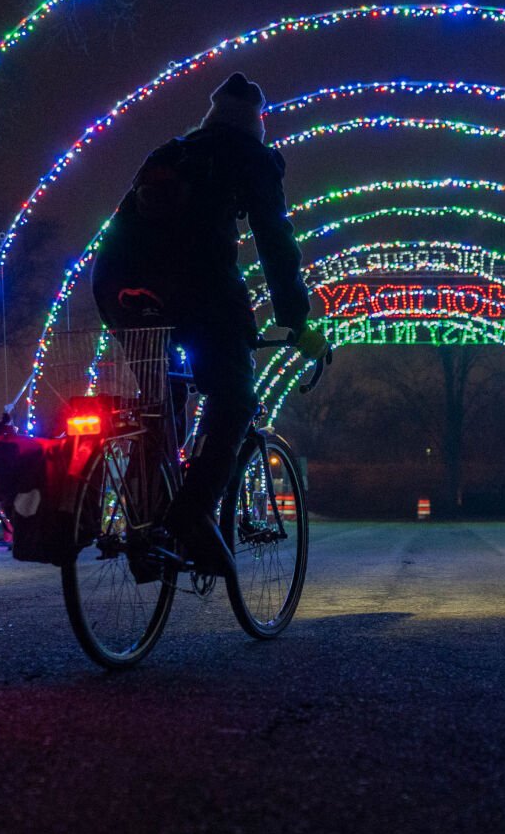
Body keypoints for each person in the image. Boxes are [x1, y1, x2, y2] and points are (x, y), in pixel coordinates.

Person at [92, 72, 328, 578]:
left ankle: (144, 529)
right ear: (255, 123)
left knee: (161, 404)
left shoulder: (172, 151)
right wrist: (296, 319)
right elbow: (274, 240)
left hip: (116, 284)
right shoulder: (249, 155)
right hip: (193, 287)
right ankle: (191, 514)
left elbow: (123, 222)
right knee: (236, 396)